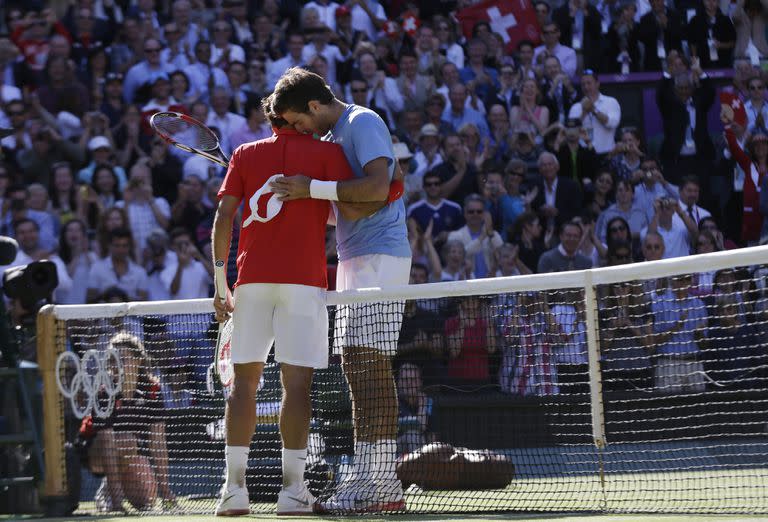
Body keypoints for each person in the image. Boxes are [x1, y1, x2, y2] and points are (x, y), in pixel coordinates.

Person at [211, 97, 380, 516]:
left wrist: (220, 284)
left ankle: (233, 490)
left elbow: (223, 216)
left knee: (243, 387)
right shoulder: (327, 153)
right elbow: (354, 206)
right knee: (297, 388)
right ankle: (292, 490)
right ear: (293, 117)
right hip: (304, 284)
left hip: (250, 284)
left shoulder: (245, 154)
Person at [270, 67, 411, 513]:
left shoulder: (362, 121)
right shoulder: (333, 140)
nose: (297, 131)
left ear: (314, 106)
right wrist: (297, 196)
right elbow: (346, 208)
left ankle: (382, 482)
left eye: (297, 121)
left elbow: (378, 186)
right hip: (355, 259)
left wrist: (311, 188)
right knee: (358, 369)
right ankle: (370, 477)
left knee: (371, 367)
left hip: (381, 257)